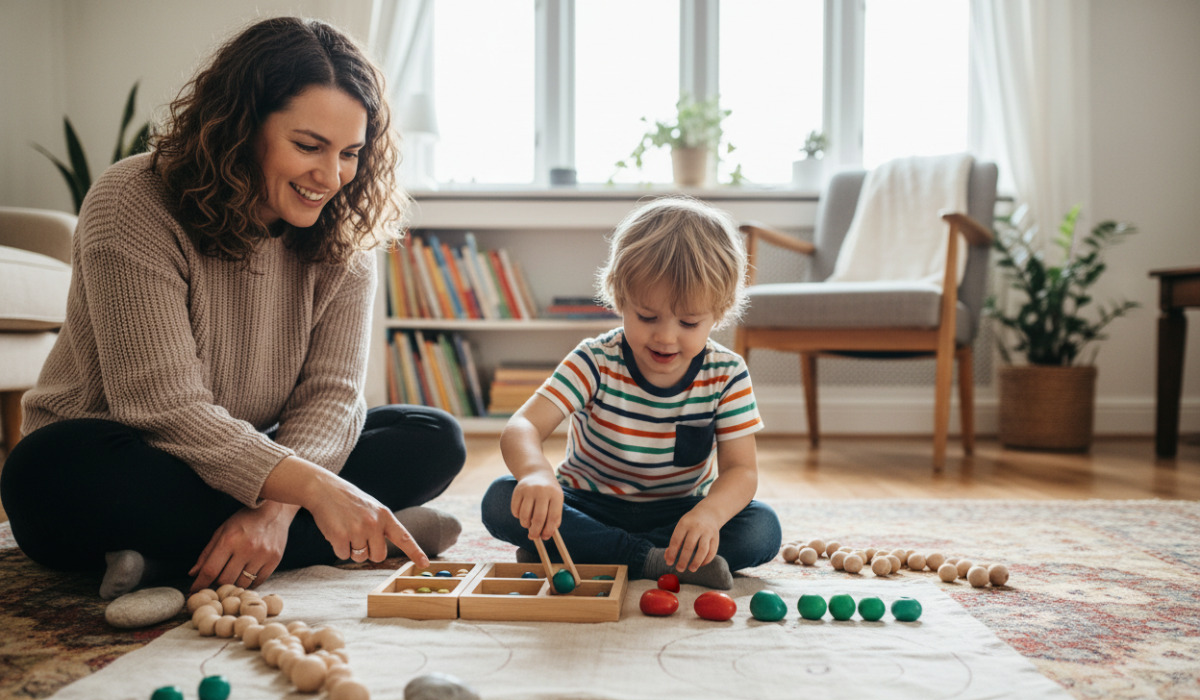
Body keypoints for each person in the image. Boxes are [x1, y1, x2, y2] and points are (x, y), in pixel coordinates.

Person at [0, 17, 466, 600]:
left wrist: (275, 510)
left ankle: (168, 556)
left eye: (350, 153)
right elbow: (161, 407)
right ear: (241, 128)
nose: (331, 177)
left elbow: (333, 394)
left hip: (252, 460)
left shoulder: (343, 232)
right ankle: (350, 536)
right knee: (45, 471)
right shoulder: (131, 200)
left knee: (432, 435)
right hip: (128, 452)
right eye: (307, 146)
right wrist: (318, 494)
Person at [480, 196, 781, 590]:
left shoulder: (727, 373)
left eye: (689, 322)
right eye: (646, 316)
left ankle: (582, 551)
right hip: (588, 503)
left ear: (719, 314)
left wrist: (709, 515)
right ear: (620, 299)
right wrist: (537, 475)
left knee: (762, 529)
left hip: (679, 513)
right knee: (501, 499)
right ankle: (650, 560)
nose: (666, 336)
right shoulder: (595, 359)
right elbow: (522, 427)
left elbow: (742, 471)